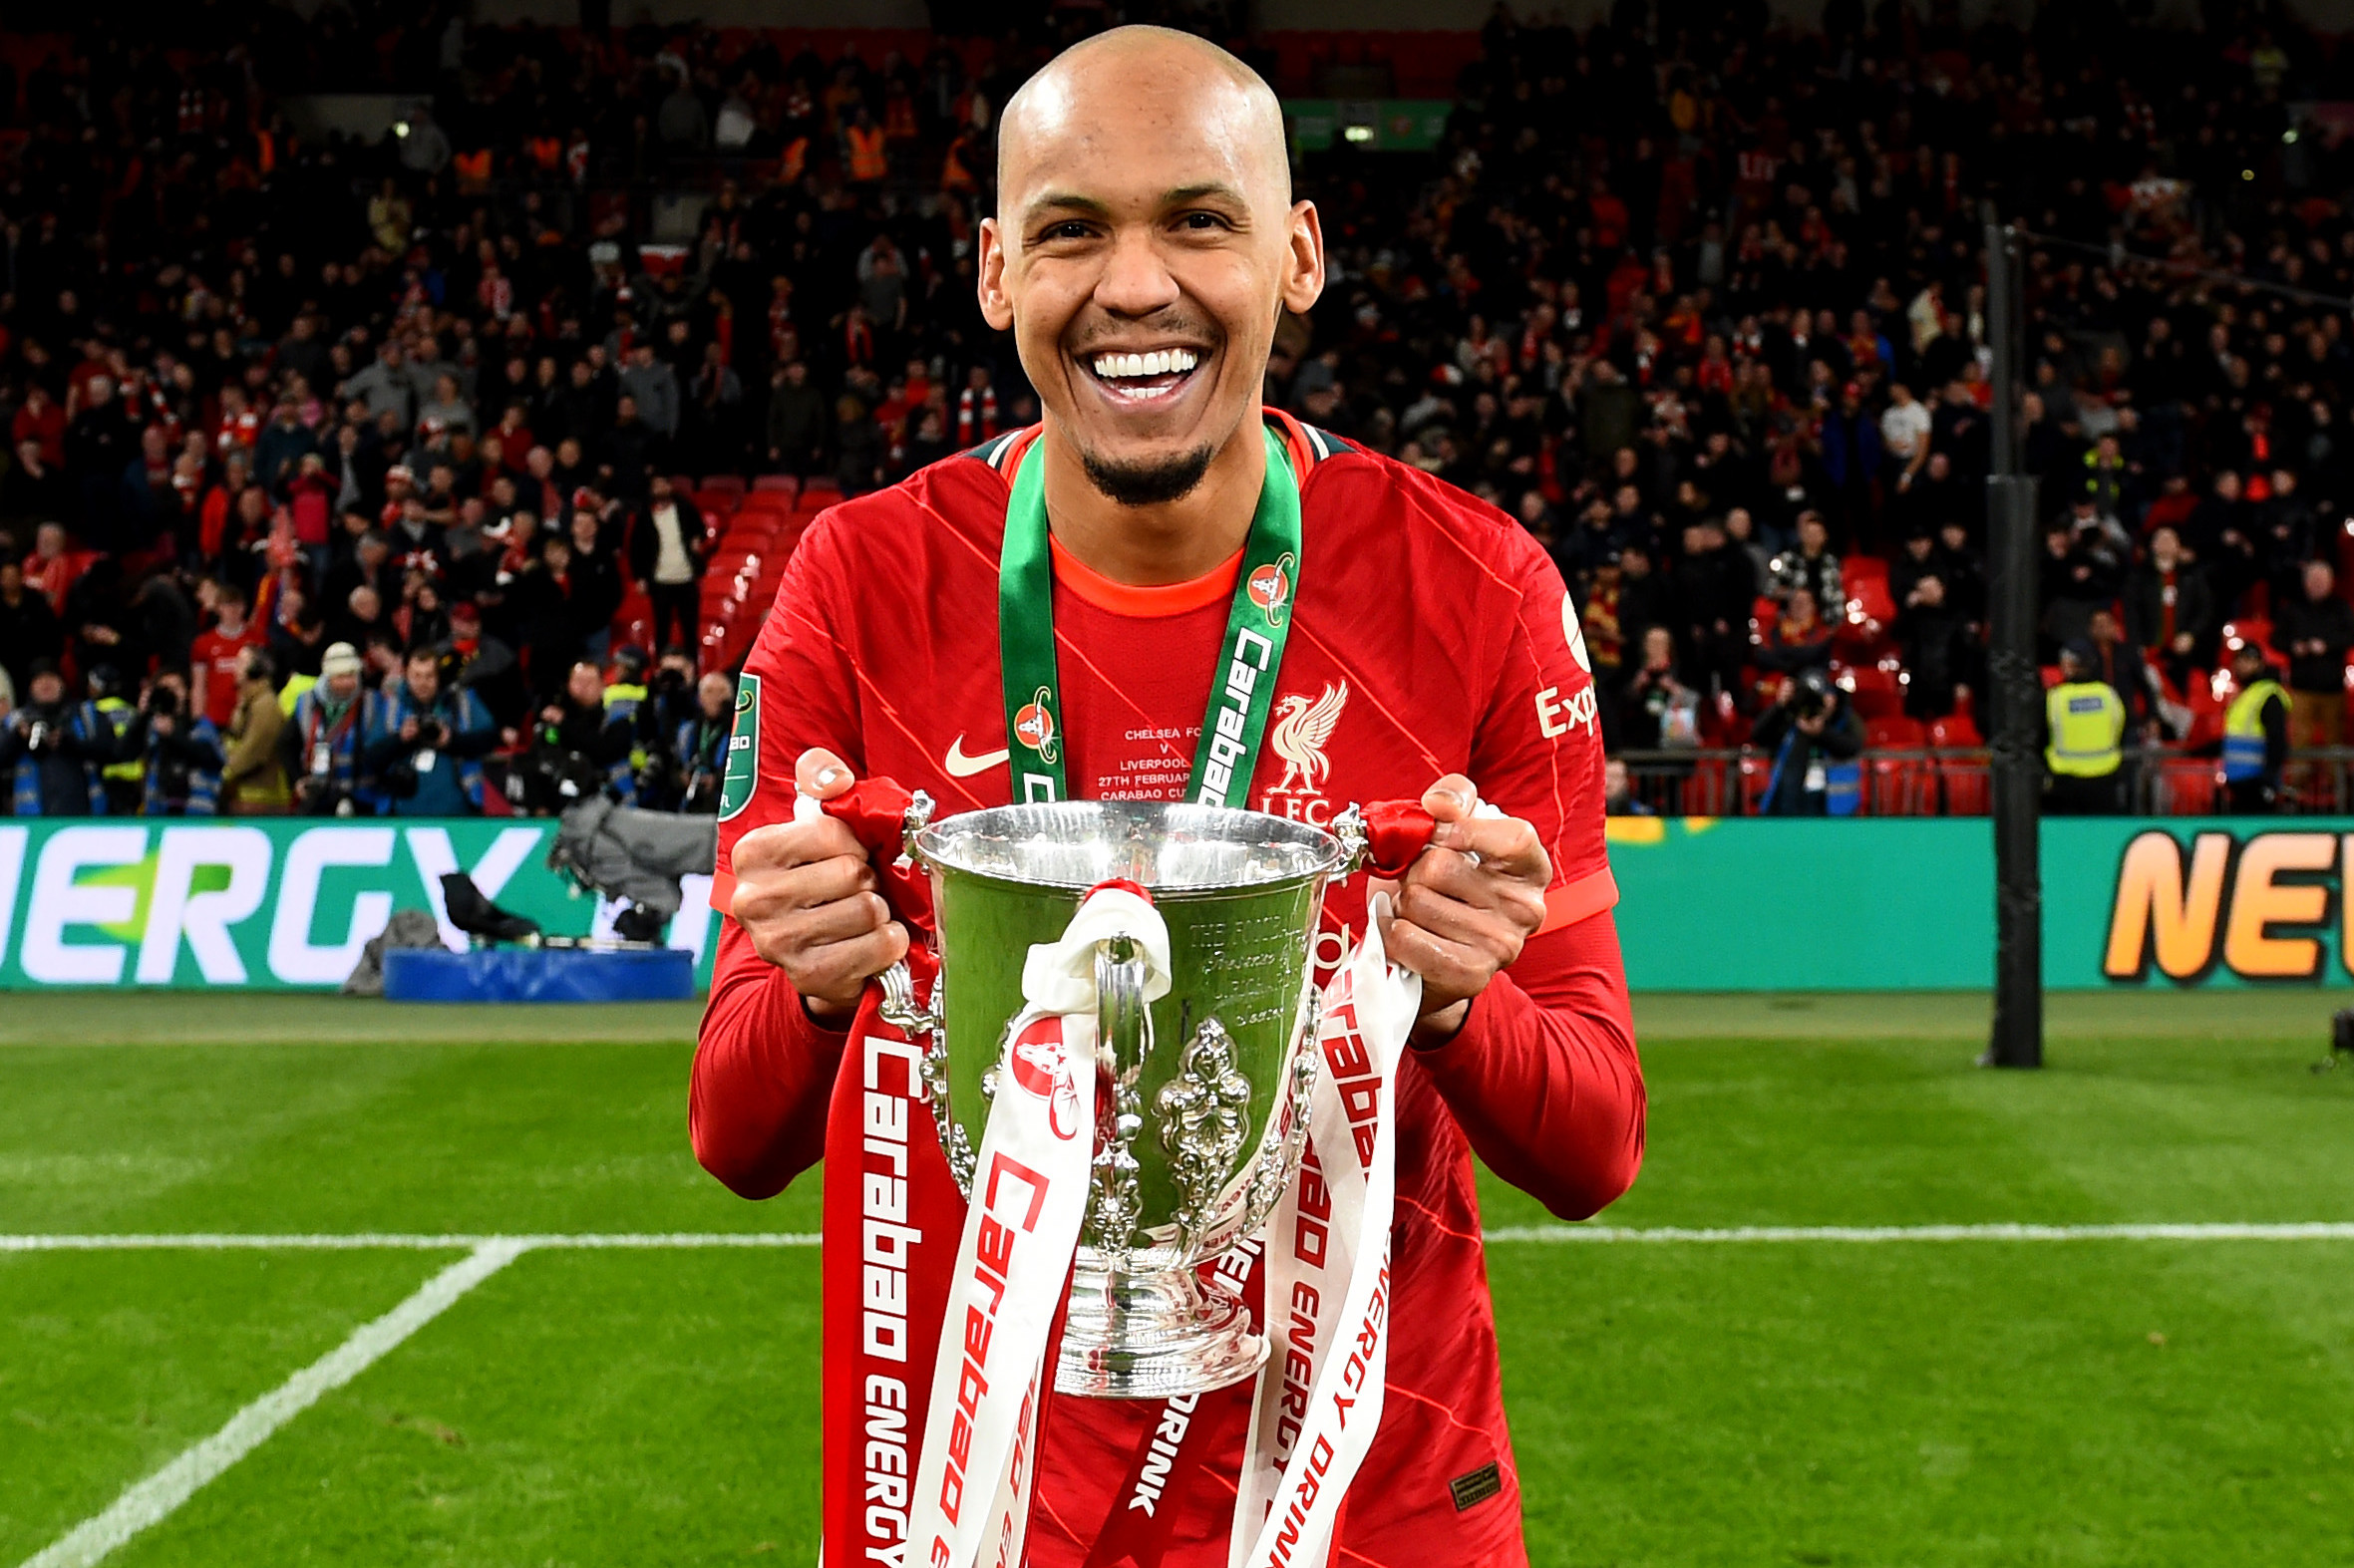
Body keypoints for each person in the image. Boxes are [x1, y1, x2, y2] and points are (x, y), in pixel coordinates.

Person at [689, 29, 1642, 1568]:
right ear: (999, 274)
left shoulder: (1478, 587)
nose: (1134, 286)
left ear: (1298, 254)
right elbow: (734, 1128)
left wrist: (1463, 1001)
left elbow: (1597, 1145)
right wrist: (804, 987)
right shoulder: (859, 582)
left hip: (1370, 1504)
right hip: (981, 1504)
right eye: (1072, 231)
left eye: (1198, 220)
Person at [362, 645, 499, 815]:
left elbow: (489, 739)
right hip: (402, 813)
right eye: (416, 676)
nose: (422, 683)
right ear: (406, 675)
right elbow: (371, 758)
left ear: (438, 677)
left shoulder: (461, 701)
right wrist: (400, 739)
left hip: (458, 812)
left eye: (429, 676)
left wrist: (451, 741)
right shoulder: (392, 706)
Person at [1750, 668, 1864, 814]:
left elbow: (1852, 747)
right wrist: (1779, 705)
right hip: (1789, 804)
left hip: (1833, 809)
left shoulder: (1844, 720)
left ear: (1834, 698)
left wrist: (1821, 732)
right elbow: (1757, 734)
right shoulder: (1786, 721)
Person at [2, 659, 108, 814]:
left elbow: (114, 752)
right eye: (39, 679)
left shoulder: (86, 715)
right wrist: (18, 737)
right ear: (30, 687)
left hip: (87, 821)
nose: (46, 684)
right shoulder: (16, 721)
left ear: (62, 683)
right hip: (33, 824)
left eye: (51, 678)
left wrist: (71, 743)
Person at [2273, 558, 2354, 756]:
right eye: (2314, 580)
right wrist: (2294, 646)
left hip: (2332, 688)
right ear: (2305, 582)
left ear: (2331, 582)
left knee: (2335, 743)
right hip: (2301, 687)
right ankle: (2298, 785)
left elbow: (2350, 635)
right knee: (2300, 741)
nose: (2318, 584)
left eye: (2322, 580)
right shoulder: (2293, 608)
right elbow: (2276, 638)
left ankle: (2337, 785)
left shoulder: (2341, 608)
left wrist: (2327, 646)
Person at [282, 640, 370, 815]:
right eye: (340, 677)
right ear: (327, 677)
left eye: (351, 676)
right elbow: (285, 745)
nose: (347, 683)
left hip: (361, 800)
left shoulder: (371, 703)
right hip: (317, 800)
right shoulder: (306, 702)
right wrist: (297, 780)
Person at [2042, 640, 2127, 814]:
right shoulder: (2108, 694)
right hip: (2105, 780)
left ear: (2070, 664)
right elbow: (2121, 728)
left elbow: (2041, 735)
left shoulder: (2055, 697)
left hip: (2066, 783)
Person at [629, 474, 708, 656]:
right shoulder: (645, 516)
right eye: (656, 485)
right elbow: (636, 548)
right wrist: (640, 577)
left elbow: (700, 530)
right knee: (661, 630)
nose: (660, 489)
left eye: (663, 484)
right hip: (660, 581)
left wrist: (696, 541)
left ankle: (692, 670)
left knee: (690, 630)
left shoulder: (684, 507)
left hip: (686, 578)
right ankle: (660, 669)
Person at [129, 668, 223, 815]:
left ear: (186, 692)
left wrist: (172, 734)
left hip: (196, 814)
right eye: (165, 689)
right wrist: (140, 717)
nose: (171, 693)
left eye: (176, 688)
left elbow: (211, 757)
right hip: (156, 813)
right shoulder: (152, 727)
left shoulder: (200, 725)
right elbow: (121, 753)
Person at [2220, 640, 2291, 814]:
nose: (2242, 666)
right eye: (2240, 660)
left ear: (2259, 664)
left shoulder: (2268, 695)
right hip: (2238, 783)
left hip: (2257, 784)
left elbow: (2277, 740)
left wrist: (2269, 780)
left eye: (2248, 661)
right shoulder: (2244, 695)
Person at [218, 645, 290, 813]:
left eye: (241, 662)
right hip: (245, 794)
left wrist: (225, 773)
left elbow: (254, 749)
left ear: (256, 668)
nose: (235, 667)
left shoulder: (265, 705)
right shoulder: (248, 702)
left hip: (262, 798)